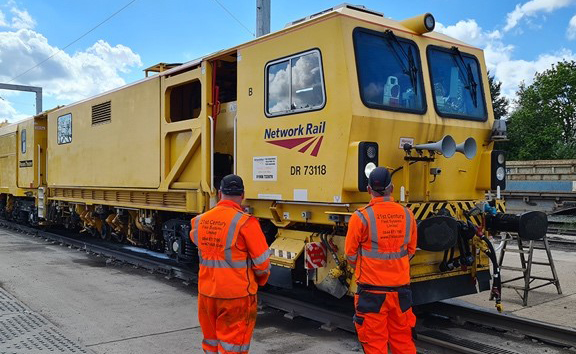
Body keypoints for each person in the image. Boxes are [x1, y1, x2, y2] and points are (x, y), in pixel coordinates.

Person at [190, 174, 271, 354]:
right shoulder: (246, 223)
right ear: (242, 195)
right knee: (233, 348)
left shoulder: (199, 221)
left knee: (211, 344)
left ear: (220, 194)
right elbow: (262, 264)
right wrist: (259, 281)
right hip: (236, 297)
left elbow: (196, 240)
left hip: (206, 295)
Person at [345, 167, 418, 354]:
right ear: (391, 188)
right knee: (403, 342)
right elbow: (410, 251)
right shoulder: (407, 214)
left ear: (369, 190)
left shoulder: (361, 216)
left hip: (372, 293)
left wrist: (369, 268)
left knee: (375, 344)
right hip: (401, 292)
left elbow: (350, 255)